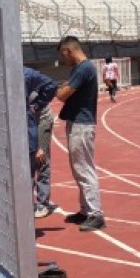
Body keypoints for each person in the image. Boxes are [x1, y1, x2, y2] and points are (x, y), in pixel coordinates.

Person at [55, 36, 105, 231]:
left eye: (63, 55)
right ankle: (86, 210)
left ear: (69, 50)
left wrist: (61, 88)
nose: (63, 60)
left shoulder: (84, 68)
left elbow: (61, 94)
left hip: (82, 125)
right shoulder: (81, 69)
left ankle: (95, 213)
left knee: (84, 168)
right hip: (78, 123)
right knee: (79, 168)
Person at [24, 67, 58, 219]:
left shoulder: (27, 74)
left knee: (41, 158)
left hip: (41, 117)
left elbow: (52, 85)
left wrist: (36, 105)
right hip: (28, 121)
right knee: (29, 161)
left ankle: (43, 203)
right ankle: (27, 203)